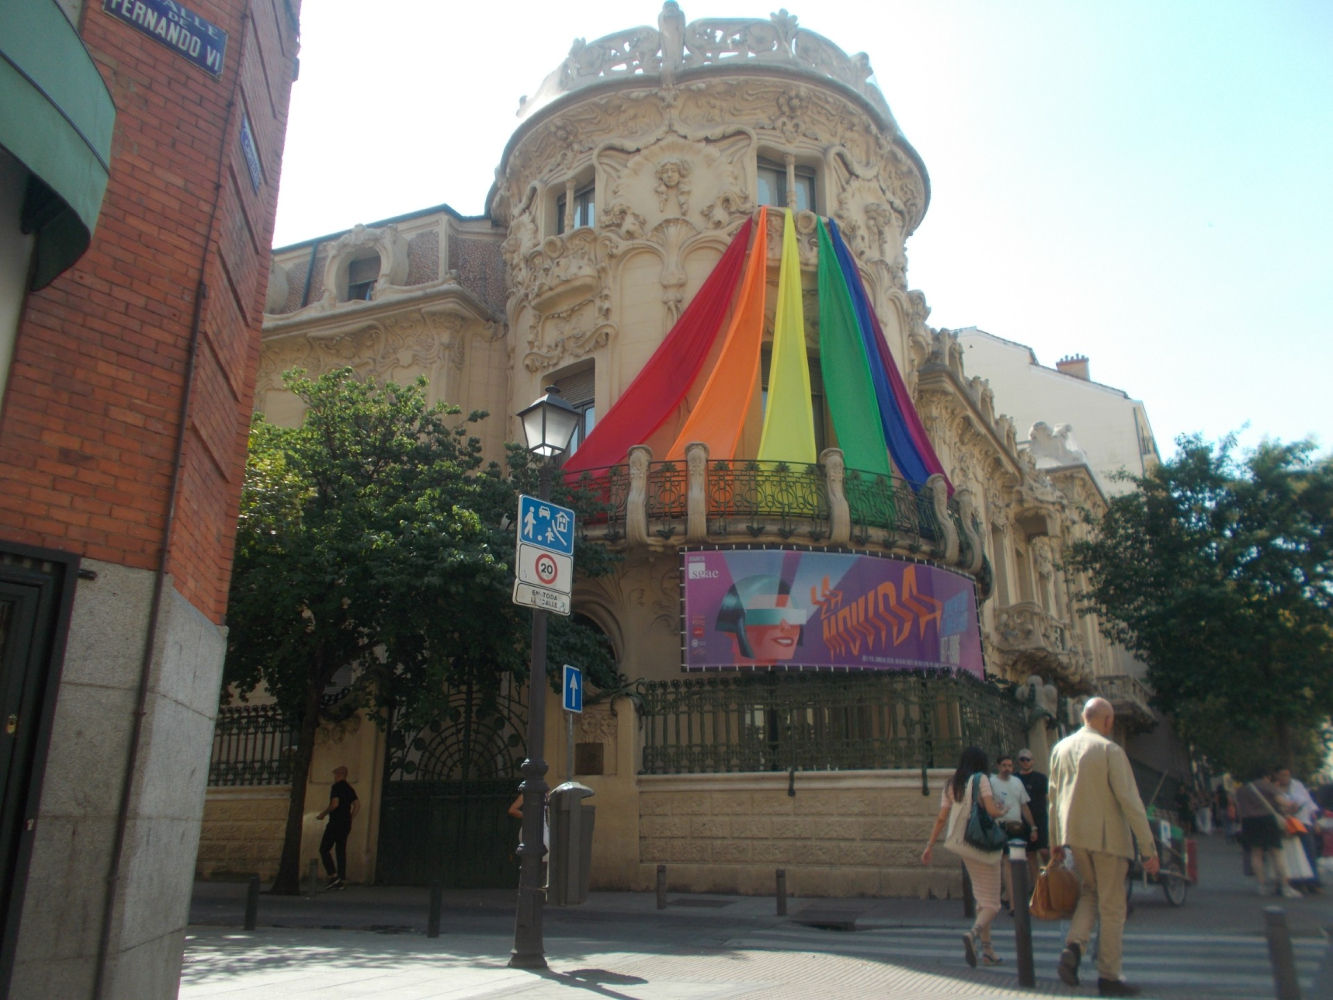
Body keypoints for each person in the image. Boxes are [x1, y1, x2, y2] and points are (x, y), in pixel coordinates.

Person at [1048, 697, 1159, 997]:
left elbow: (1053, 798)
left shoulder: (1060, 748)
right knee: (1112, 908)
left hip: (1075, 839)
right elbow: (1131, 802)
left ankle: (1073, 947)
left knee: (1090, 894)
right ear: (1108, 720)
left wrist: (1055, 841)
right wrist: (1148, 848)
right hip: (1109, 839)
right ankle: (1109, 975)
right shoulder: (1110, 750)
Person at [921, 746, 1008, 968]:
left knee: (981, 898)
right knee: (994, 903)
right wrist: (1002, 810)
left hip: (962, 844)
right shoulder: (982, 780)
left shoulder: (951, 784)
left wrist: (929, 845)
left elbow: (942, 817)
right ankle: (973, 934)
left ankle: (988, 951)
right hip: (982, 843)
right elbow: (991, 811)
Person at [1234, 769, 1303, 898]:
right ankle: (1285, 887)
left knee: (1256, 854)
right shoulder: (1266, 785)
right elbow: (1282, 801)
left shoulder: (1241, 790)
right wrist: (1292, 805)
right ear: (1265, 776)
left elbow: (1239, 809)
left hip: (1249, 822)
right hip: (1267, 820)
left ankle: (1262, 886)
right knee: (1276, 853)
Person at [991, 752, 1039, 913]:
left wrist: (1033, 827)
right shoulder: (992, 783)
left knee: (1018, 864)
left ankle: (1011, 899)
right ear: (998, 766)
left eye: (1010, 766)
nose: (1007, 769)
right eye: (1004, 765)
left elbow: (1024, 806)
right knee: (1008, 863)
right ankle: (1013, 904)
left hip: (1017, 827)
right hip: (1001, 826)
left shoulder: (1017, 782)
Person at [1274, 766, 1322, 893]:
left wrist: (1315, 822)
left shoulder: (1297, 785)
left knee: (1309, 851)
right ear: (1277, 776)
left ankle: (1313, 882)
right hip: (1285, 825)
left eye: (1287, 775)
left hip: (1303, 822)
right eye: (1282, 775)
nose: (1285, 778)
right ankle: (1294, 881)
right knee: (1292, 854)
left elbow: (1309, 804)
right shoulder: (1274, 788)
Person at [315, 765, 359, 889]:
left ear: (340, 775)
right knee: (340, 850)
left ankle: (333, 876)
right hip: (346, 823)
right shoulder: (350, 788)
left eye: (335, 774)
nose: (334, 777)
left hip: (335, 822)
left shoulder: (336, 787)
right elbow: (357, 804)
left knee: (324, 849)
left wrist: (323, 814)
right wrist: (351, 817)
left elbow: (334, 804)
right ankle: (341, 879)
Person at [1016, 748, 1050, 885]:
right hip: (1023, 820)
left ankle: (1050, 878)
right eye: (1022, 759)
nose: (1025, 762)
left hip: (1040, 818)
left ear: (1033, 761)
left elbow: (1048, 797)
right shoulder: (1015, 779)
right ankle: (1037, 886)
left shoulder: (1041, 778)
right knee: (1030, 854)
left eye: (1027, 759)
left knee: (1043, 851)